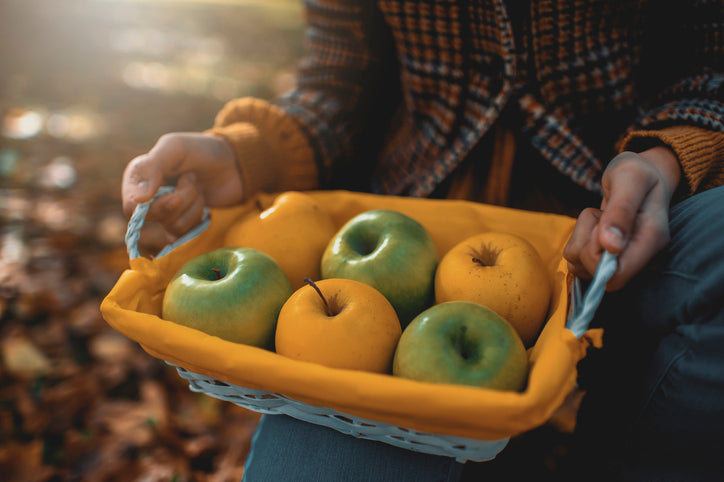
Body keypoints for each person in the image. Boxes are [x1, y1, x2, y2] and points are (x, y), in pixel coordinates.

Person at [121, 1, 724, 480]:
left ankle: (614, 455)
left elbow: (710, 63)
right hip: (412, 229)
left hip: (610, 222)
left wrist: (663, 156)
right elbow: (341, 83)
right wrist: (249, 154)